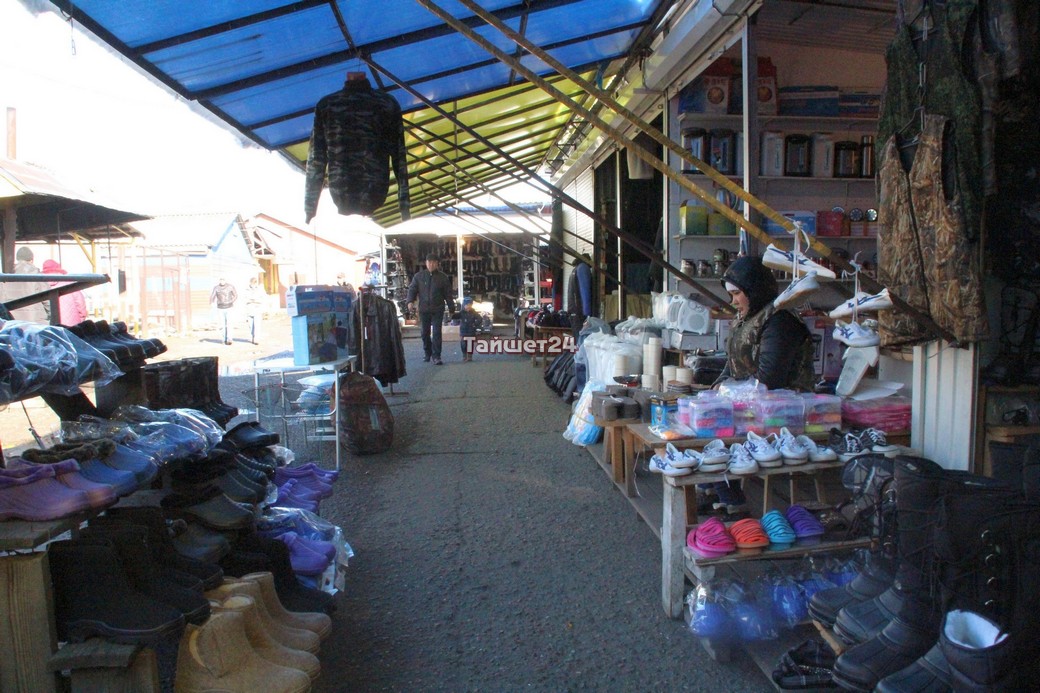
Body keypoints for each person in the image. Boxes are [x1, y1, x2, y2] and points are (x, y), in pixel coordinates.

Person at [714, 256, 816, 392]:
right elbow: (734, 362)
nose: (733, 302)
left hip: (786, 402)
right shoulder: (744, 318)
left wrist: (727, 389)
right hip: (750, 399)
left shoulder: (780, 321)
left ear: (754, 291)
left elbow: (769, 380)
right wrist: (719, 384)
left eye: (737, 293)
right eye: (731, 295)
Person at [406, 253, 455, 365]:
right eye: (429, 262)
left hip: (438, 309)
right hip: (424, 309)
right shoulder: (419, 276)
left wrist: (451, 308)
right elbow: (412, 289)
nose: (431, 264)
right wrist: (410, 301)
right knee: (424, 332)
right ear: (426, 263)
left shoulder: (443, 277)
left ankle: (437, 356)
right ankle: (427, 353)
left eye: (434, 262)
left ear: (437, 264)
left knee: (437, 332)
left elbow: (448, 294)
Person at [2, 247, 50, 323]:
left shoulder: (8, 275)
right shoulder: (36, 274)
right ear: (31, 260)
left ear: (17, 259)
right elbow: (48, 300)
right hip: (35, 321)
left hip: (12, 321)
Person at [41, 259, 88, 326]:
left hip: (52, 326)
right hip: (72, 325)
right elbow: (81, 305)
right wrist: (81, 320)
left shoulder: (41, 285)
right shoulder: (70, 283)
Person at [568, 253, 595, 338]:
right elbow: (585, 291)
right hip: (580, 313)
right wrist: (588, 314)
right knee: (583, 340)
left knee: (578, 340)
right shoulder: (583, 268)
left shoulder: (574, 270)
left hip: (573, 312)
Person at [209, 278, 238, 345]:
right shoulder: (216, 288)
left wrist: (231, 301)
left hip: (229, 308)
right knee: (222, 324)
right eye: (221, 280)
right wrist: (211, 303)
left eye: (223, 280)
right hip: (220, 308)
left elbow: (235, 295)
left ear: (225, 280)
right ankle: (223, 339)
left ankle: (229, 339)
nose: (222, 281)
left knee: (229, 324)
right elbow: (212, 296)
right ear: (219, 281)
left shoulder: (230, 286)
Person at [454, 297, 482, 362]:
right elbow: (455, 319)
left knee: (470, 344)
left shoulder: (473, 312)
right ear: (464, 305)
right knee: (463, 344)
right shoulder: (461, 312)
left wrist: (475, 324)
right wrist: (456, 322)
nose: (468, 306)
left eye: (470, 305)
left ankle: (469, 356)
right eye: (467, 305)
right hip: (463, 331)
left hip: (471, 331)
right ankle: (464, 355)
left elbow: (479, 318)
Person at [244, 277, 264, 345]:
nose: (253, 285)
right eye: (252, 283)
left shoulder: (260, 290)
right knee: (250, 325)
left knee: (257, 325)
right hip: (249, 309)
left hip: (257, 308)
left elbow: (263, 298)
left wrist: (256, 300)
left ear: (256, 283)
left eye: (254, 283)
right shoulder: (246, 290)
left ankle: (256, 338)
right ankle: (253, 336)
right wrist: (249, 300)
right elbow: (244, 299)